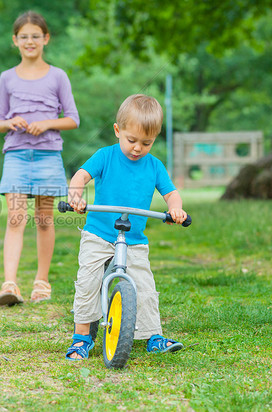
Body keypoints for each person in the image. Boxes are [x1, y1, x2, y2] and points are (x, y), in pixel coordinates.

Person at [65, 94, 187, 359]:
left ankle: (153, 335)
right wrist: (75, 194)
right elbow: (80, 176)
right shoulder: (105, 156)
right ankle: (81, 337)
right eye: (131, 140)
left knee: (144, 285)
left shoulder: (154, 165)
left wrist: (175, 208)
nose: (137, 148)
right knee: (87, 281)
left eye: (147, 142)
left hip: (134, 239)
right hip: (99, 234)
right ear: (118, 131)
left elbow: (171, 194)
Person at [0, 11, 80, 306]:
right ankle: (9, 285)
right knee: (16, 219)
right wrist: (11, 122)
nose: (29, 41)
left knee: (44, 220)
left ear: (46, 38)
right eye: (23, 36)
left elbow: (72, 119)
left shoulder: (58, 76)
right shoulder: (6, 78)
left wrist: (46, 123)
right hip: (16, 155)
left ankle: (42, 282)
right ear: (14, 41)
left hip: (48, 155)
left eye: (35, 36)